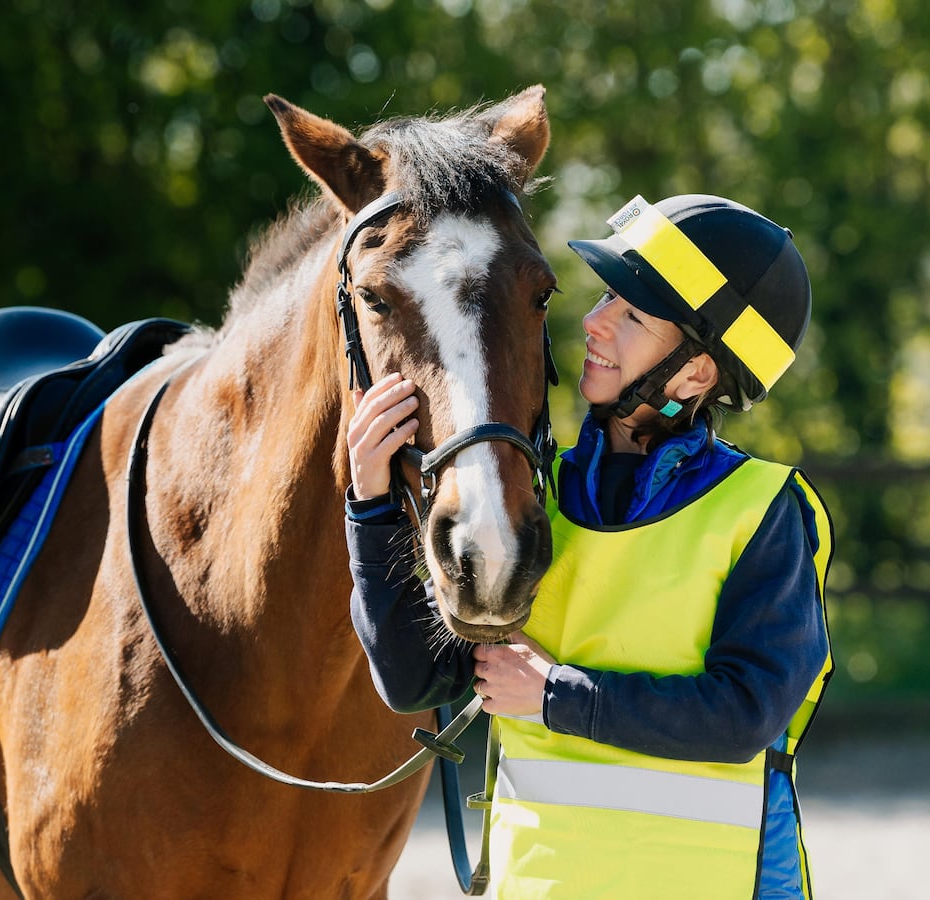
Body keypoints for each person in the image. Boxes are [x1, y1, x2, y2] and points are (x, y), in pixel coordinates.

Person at [344, 194, 834, 899]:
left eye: (633, 316)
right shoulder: (535, 502)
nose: (596, 322)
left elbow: (744, 716)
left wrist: (554, 698)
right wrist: (369, 504)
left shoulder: (763, 513)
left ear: (695, 375)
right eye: (607, 295)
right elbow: (415, 682)